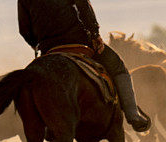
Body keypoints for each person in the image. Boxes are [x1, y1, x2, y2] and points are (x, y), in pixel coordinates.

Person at [18, 0, 150, 132]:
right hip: (78, 40)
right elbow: (84, 7)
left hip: (48, 47)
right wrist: (95, 34)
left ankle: (42, 124)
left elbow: (24, 29)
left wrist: (36, 43)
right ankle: (133, 114)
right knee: (117, 66)